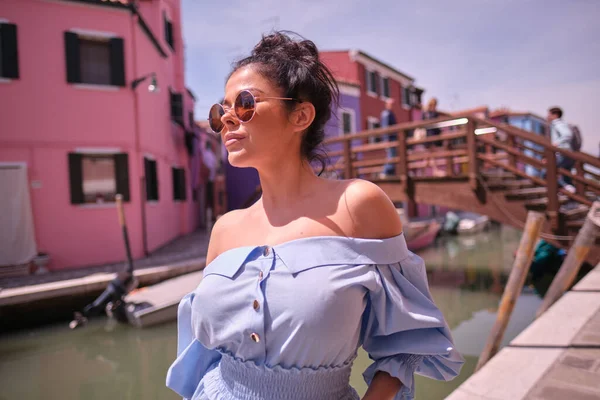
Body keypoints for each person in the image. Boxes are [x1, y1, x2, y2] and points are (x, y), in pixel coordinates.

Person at [166, 32, 463, 400]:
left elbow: (405, 344)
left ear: (301, 115)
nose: (227, 119)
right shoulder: (225, 230)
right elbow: (204, 357)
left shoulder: (358, 206)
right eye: (220, 110)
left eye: (245, 104)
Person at [546, 107, 576, 193]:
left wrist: (557, 143)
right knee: (565, 174)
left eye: (549, 114)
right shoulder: (563, 123)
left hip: (562, 152)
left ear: (555, 115)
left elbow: (567, 135)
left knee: (547, 172)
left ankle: (568, 188)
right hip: (567, 152)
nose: (547, 116)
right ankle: (571, 193)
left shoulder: (557, 124)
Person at [380, 98, 398, 177]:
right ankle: (385, 172)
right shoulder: (387, 114)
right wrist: (386, 139)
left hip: (392, 138)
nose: (392, 106)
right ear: (387, 105)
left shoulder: (390, 113)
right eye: (391, 104)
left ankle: (389, 173)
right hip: (390, 138)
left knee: (392, 156)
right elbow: (385, 127)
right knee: (391, 156)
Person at [202, 140, 218, 222]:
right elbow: (214, 167)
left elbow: (203, 165)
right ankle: (211, 218)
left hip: (206, 179)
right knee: (211, 199)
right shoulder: (212, 155)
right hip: (211, 179)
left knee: (206, 200)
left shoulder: (205, 154)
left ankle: (206, 219)